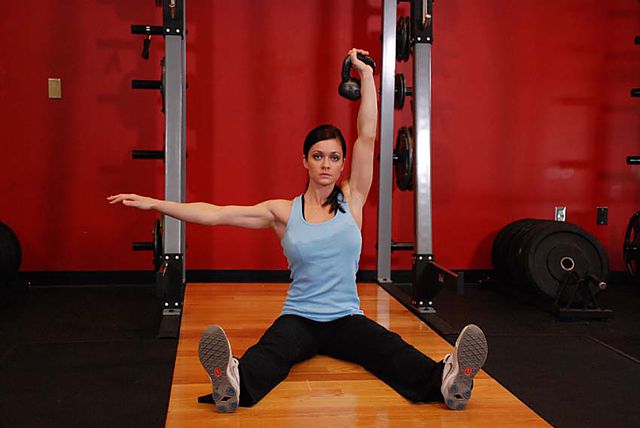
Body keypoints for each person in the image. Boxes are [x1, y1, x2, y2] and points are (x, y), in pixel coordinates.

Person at [108, 48, 488, 413]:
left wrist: (369, 75)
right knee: (270, 352)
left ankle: (447, 380)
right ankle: (232, 382)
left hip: (345, 317)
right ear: (304, 161)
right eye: (318, 156)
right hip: (300, 317)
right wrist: (157, 204)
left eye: (334, 157)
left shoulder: (353, 199)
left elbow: (367, 135)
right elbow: (217, 213)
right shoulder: (283, 212)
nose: (327, 164)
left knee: (390, 349)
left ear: (342, 165)